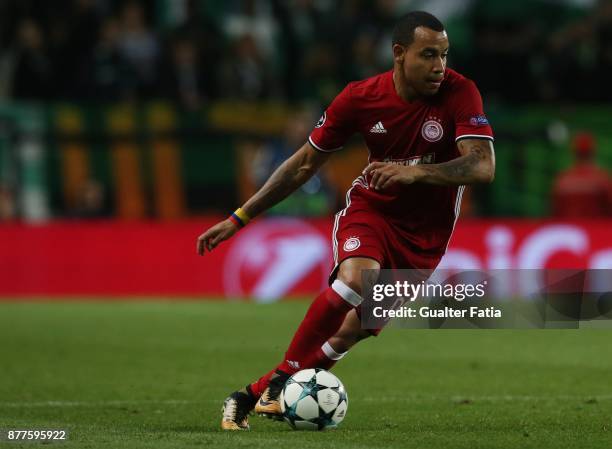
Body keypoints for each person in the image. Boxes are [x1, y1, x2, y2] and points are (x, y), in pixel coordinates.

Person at [197, 11, 495, 430]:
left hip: (426, 238)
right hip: (372, 211)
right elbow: (303, 165)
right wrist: (241, 216)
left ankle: (250, 393)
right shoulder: (360, 98)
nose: (439, 66)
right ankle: (282, 381)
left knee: (351, 331)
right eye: (428, 55)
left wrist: (416, 171)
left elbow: (482, 166)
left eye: (444, 55)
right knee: (355, 281)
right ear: (398, 53)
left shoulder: (460, 92)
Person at [551, 132, 612, 218]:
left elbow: (555, 212)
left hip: (571, 229)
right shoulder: (601, 179)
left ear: (574, 152)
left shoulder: (562, 180)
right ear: (593, 152)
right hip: (594, 229)